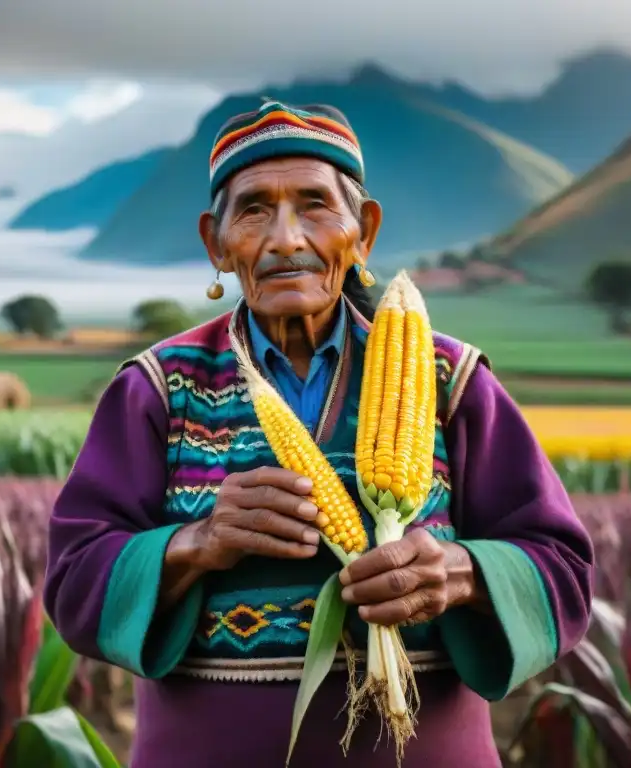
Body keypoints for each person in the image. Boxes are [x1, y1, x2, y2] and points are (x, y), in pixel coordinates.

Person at [44, 100, 594, 768]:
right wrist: (198, 544)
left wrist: (461, 572)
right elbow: (73, 583)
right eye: (253, 210)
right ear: (216, 243)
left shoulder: (451, 379)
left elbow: (564, 571)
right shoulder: (156, 388)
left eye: (314, 206)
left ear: (362, 231)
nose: (285, 239)